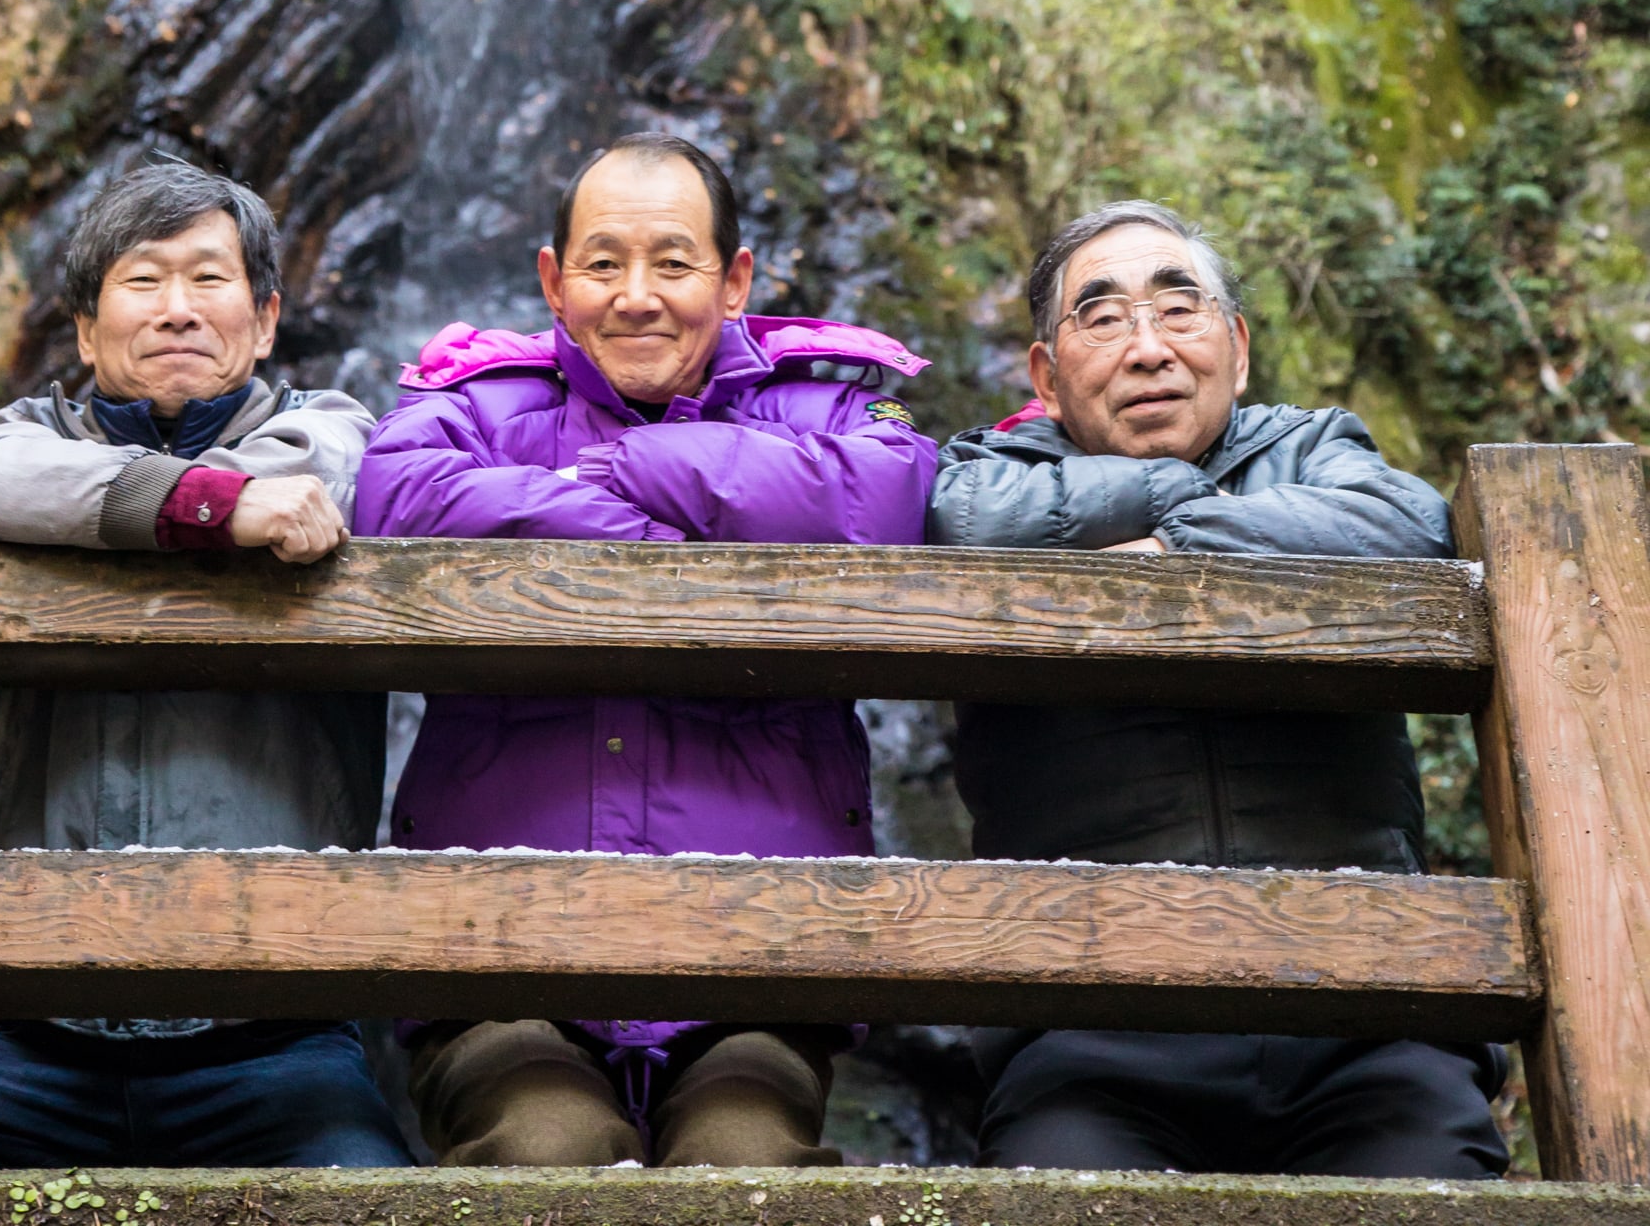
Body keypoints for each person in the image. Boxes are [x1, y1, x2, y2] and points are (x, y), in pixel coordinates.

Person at [355, 132, 938, 1170]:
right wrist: (690, 523)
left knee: (745, 1165)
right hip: (499, 962)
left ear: (734, 280)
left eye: (673, 262)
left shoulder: (833, 403)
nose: (636, 297)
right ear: (553, 281)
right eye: (602, 264)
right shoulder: (475, 403)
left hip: (757, 968)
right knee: (546, 1152)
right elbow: (396, 497)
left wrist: (618, 464)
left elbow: (882, 497)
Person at [928, 196, 1506, 1182]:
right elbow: (966, 523)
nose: (1148, 349)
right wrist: (1176, 487)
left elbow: (1408, 524)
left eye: (1177, 310)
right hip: (1092, 1032)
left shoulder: (1313, 450)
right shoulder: (991, 475)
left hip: (1368, 1013)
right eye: (1102, 318)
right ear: (1046, 376)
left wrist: (1174, 544)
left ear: (1235, 348)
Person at [0, 156, 411, 1171]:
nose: (178, 308)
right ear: (87, 332)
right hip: (29, 1039)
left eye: (208, 277)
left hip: (276, 1043)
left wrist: (170, 508)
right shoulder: (23, 442)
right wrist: (215, 509)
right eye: (143, 280)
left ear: (264, 321)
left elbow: (318, 476)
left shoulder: (329, 430)